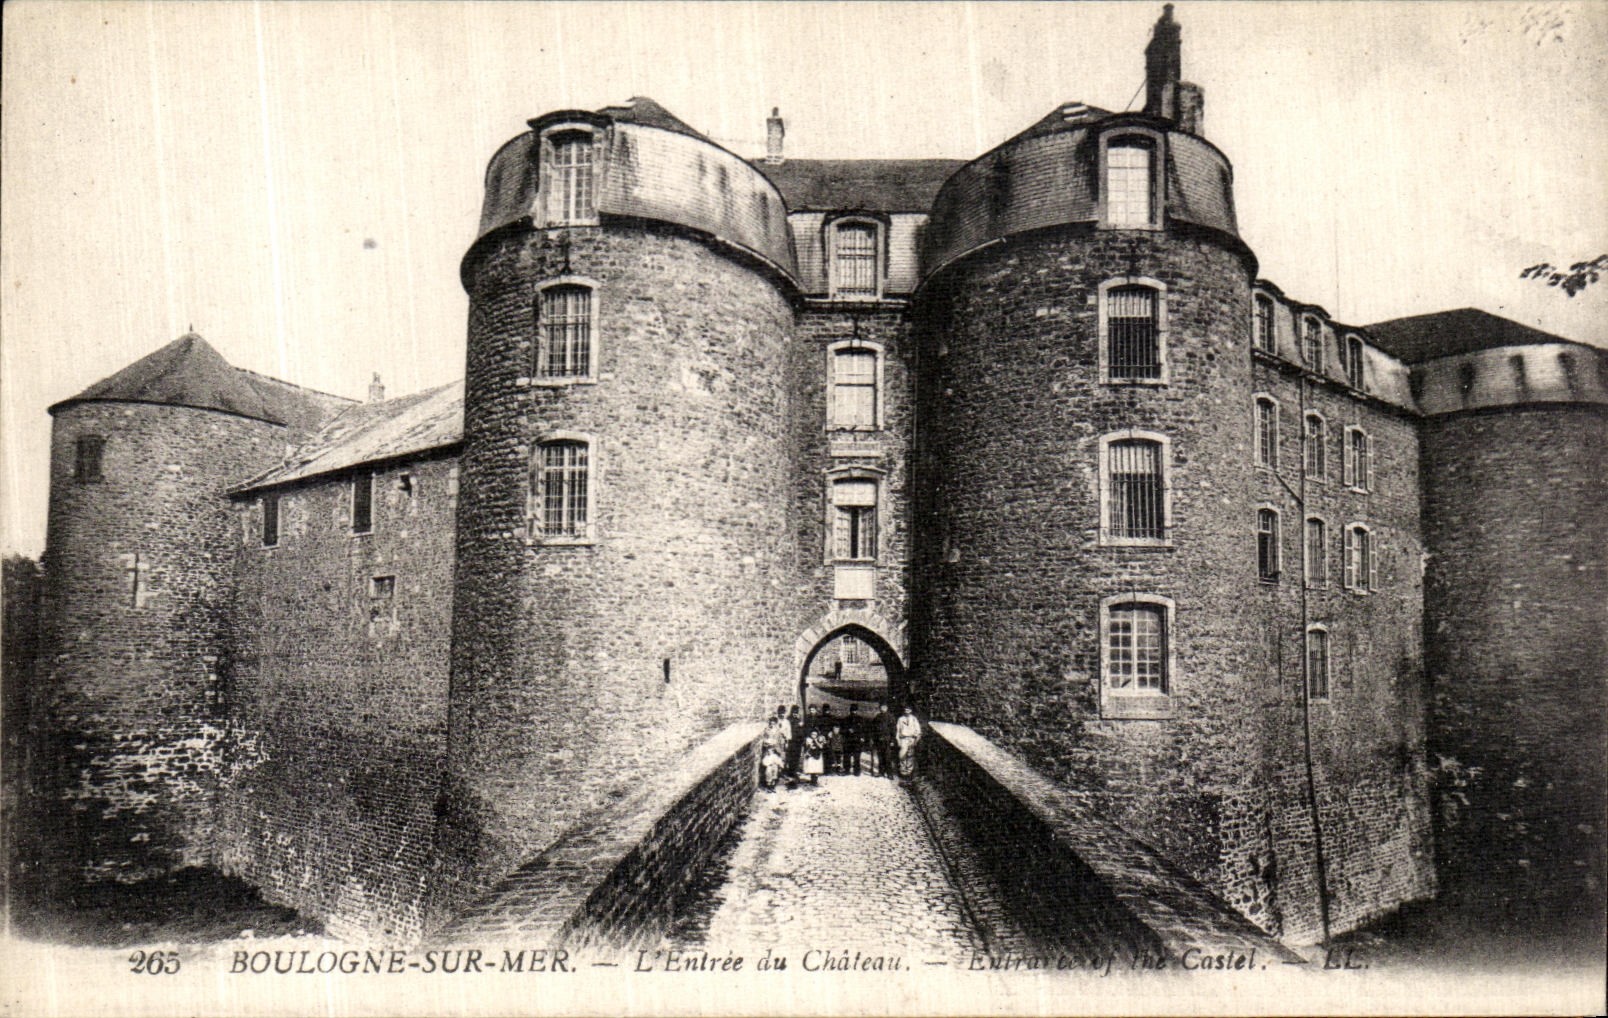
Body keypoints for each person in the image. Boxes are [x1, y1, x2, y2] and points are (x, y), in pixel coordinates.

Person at [896, 704, 923, 779]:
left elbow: (918, 730)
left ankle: (909, 772)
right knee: (902, 755)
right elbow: (898, 731)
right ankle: (903, 772)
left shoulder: (914, 719)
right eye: (905, 710)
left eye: (908, 710)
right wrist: (898, 740)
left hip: (911, 739)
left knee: (910, 755)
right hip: (903, 739)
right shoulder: (900, 719)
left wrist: (916, 739)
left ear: (911, 711)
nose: (906, 711)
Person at [760, 717, 786, 791]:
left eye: (774, 723)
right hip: (768, 751)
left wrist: (779, 750)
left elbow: (781, 742)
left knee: (775, 767)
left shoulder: (778, 732)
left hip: (776, 751)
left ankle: (773, 783)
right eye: (771, 723)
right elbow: (764, 741)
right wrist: (767, 745)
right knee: (768, 767)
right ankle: (768, 782)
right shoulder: (766, 731)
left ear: (776, 724)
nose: (772, 725)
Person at [875, 703, 897, 779]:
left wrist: (892, 740)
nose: (883, 708)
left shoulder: (891, 717)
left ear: (887, 708)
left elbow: (893, 730)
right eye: (881, 707)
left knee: (888, 757)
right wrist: (874, 739)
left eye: (884, 707)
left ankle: (889, 773)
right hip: (879, 739)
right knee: (880, 756)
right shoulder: (877, 717)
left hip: (887, 740)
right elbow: (874, 729)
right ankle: (881, 772)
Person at [843, 707, 863, 775]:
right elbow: (843, 729)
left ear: (857, 711)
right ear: (850, 711)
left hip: (857, 740)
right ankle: (846, 770)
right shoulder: (846, 719)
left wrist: (862, 737)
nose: (854, 712)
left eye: (855, 710)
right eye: (852, 710)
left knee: (857, 756)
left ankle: (856, 771)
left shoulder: (860, 719)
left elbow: (863, 729)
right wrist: (848, 730)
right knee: (847, 755)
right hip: (848, 739)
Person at [786, 705, 803, 776]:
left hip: (798, 741)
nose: (795, 714)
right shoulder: (789, 719)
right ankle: (791, 771)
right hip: (791, 741)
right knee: (791, 756)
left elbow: (802, 730)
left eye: (796, 712)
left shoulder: (799, 720)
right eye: (794, 712)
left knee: (797, 756)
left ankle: (795, 771)